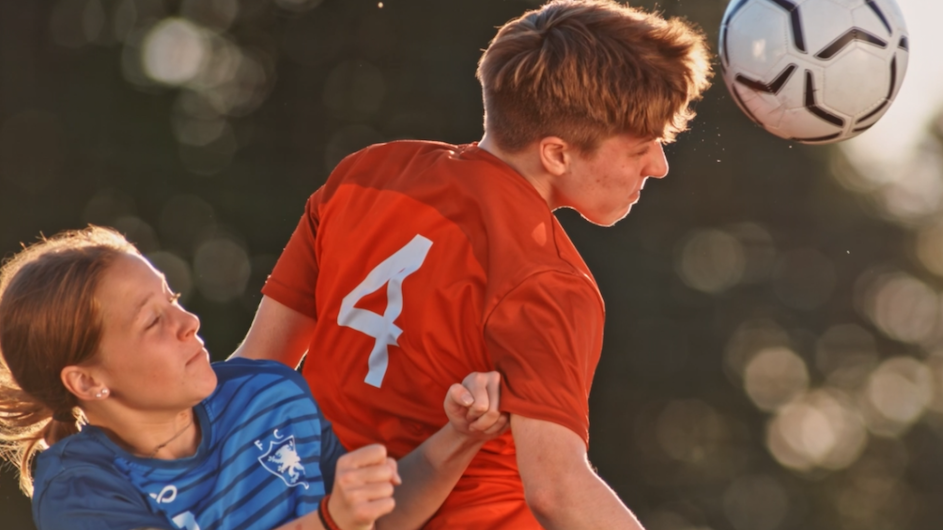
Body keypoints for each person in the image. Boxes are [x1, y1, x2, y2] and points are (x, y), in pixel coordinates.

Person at [233, 0, 712, 528]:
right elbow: (556, 490)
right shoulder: (549, 281)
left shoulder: (364, 173)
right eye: (642, 147)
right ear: (556, 154)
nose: (659, 166)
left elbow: (255, 371)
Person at [0, 226, 509, 530]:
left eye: (172, 300)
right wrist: (328, 521)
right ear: (86, 383)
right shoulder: (77, 487)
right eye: (153, 321)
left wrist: (460, 436)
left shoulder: (270, 394)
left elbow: (376, 519)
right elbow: (340, 520)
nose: (188, 323)